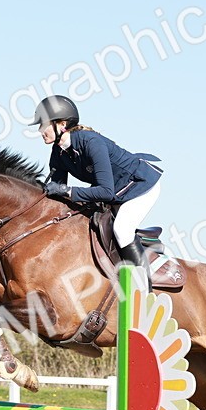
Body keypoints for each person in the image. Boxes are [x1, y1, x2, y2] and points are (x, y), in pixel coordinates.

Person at [30, 95, 163, 288]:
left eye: (43, 125)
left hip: (139, 185)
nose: (40, 130)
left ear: (61, 124)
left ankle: (143, 290)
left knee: (122, 229)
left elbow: (106, 192)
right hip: (113, 190)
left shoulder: (91, 142)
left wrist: (67, 190)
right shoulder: (58, 151)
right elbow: (57, 194)